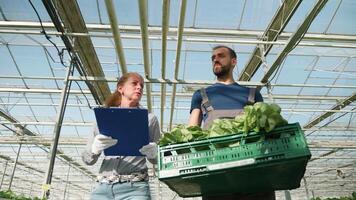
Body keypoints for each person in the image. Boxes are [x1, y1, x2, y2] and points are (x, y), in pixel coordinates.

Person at [188, 45, 275, 200]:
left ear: (233, 61)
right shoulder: (200, 95)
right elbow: (191, 132)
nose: (216, 59)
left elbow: (265, 129)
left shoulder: (253, 94)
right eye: (213, 58)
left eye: (221, 56)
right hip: (216, 174)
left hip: (253, 173)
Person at [82, 72, 160, 200]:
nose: (139, 87)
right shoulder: (104, 117)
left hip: (135, 189)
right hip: (102, 188)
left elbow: (158, 160)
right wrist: (94, 150)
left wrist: (155, 153)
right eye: (134, 83)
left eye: (141, 85)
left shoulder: (150, 119)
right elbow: (87, 160)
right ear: (120, 88)